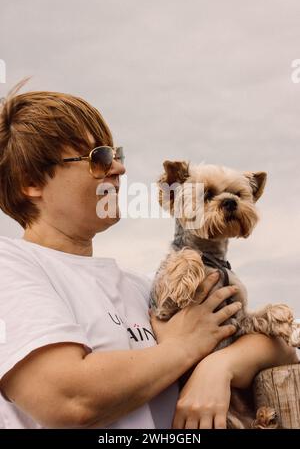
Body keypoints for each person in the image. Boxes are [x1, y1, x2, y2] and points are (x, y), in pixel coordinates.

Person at [0, 83, 297, 430]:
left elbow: (284, 350)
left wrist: (219, 366)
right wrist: (184, 348)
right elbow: (68, 398)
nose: (120, 170)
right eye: (99, 159)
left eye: (117, 155)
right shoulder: (12, 267)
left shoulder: (142, 287)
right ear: (31, 181)